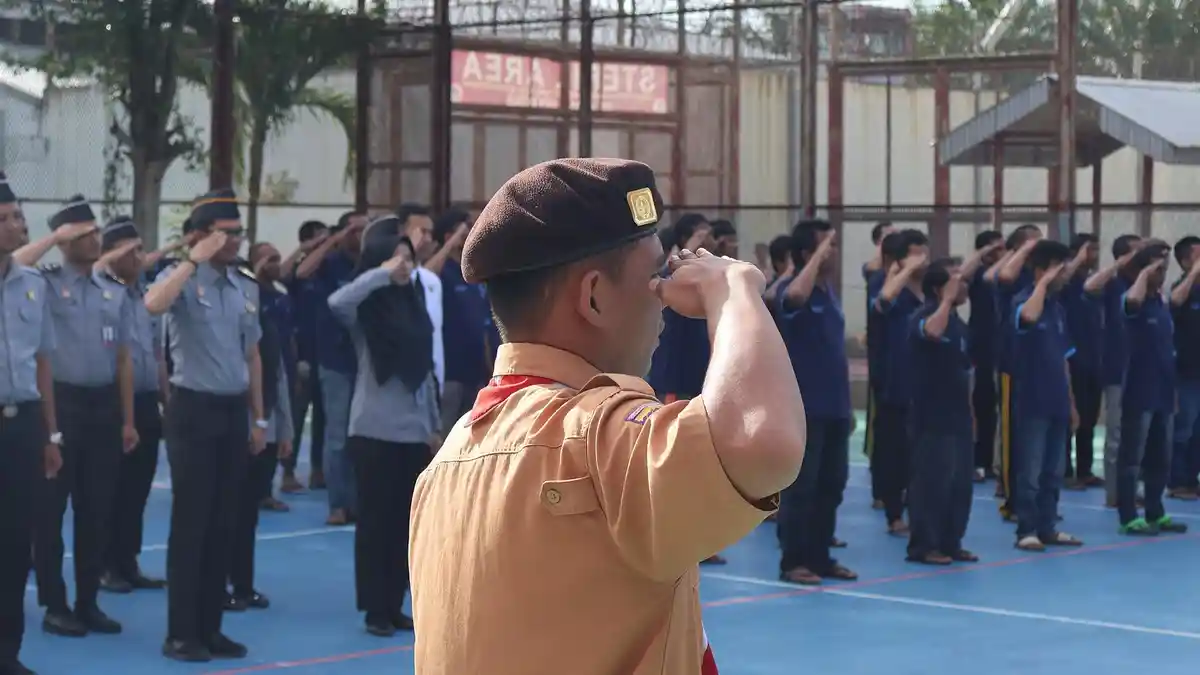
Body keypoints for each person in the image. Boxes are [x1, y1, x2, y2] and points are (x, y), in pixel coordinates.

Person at [408, 158, 804, 674]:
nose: (665, 296)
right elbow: (763, 440)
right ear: (593, 297)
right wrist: (734, 292)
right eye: (655, 277)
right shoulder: (593, 433)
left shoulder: (447, 462)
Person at [144, 189, 265, 662]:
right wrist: (192, 261)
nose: (234, 241)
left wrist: (259, 418)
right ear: (200, 236)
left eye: (238, 233)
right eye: (225, 233)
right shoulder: (181, 281)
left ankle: (211, 627)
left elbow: (251, 354)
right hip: (192, 410)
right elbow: (153, 304)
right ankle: (181, 633)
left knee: (223, 522)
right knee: (191, 524)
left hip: (233, 412)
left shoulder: (245, 285)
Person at [19, 197, 137, 637]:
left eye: (95, 232)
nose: (95, 239)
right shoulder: (41, 282)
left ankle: (88, 601)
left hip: (103, 406)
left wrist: (128, 419)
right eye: (84, 234)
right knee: (50, 512)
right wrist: (53, 237)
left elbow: (124, 359)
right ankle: (55, 603)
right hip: (59, 405)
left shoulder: (113, 290)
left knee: (97, 509)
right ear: (66, 240)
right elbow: (11, 262)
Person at [328, 218, 440, 636]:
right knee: (374, 525)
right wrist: (380, 274)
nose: (404, 266)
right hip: (373, 431)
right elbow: (336, 302)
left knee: (405, 527)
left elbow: (425, 371)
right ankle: (375, 608)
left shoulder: (414, 307)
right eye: (397, 256)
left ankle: (395, 603)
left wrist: (432, 426)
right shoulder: (368, 312)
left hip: (413, 432)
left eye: (409, 259)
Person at [0, 172, 62, 675]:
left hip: (21, 428)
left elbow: (42, 362)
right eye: (4, 219)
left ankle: (7, 652)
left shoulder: (34, 286)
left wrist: (50, 433)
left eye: (17, 216)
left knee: (16, 542)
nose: (15, 224)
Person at [773, 219, 855, 585]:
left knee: (831, 485)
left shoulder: (829, 294)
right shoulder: (796, 289)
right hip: (804, 408)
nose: (833, 253)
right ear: (808, 253)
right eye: (826, 246)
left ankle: (821, 556)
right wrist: (817, 255)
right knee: (802, 488)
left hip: (835, 406)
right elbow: (792, 299)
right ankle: (794, 561)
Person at [95, 217, 168, 594]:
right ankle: (105, 565)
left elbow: (156, 354)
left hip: (145, 401)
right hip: (110, 402)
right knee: (112, 488)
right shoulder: (101, 291)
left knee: (137, 489)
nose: (140, 257)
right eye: (132, 250)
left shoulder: (145, 295)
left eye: (142, 249)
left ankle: (128, 560)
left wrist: (165, 399)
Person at [225, 243, 294, 611]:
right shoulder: (223, 326)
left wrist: (283, 429)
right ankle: (220, 584)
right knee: (226, 512)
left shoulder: (262, 319)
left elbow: (276, 372)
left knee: (247, 513)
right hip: (233, 425)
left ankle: (243, 583)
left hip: (262, 425)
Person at [1009, 239, 1082, 551]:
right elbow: (1026, 319)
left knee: (1054, 470)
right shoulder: (1024, 301)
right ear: (1042, 270)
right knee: (1031, 470)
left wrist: (1072, 403)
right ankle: (1026, 528)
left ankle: (1048, 526)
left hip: (1057, 401)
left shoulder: (1058, 309)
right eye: (1060, 271)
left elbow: (1063, 359)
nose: (1065, 277)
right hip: (1032, 400)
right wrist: (1042, 284)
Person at [294, 211, 366, 524]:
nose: (359, 235)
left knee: (362, 437)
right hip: (335, 361)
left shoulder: (370, 262)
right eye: (354, 229)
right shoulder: (329, 263)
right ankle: (338, 503)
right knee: (337, 436)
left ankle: (359, 502)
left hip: (366, 361)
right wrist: (332, 240)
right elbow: (301, 272)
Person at [906, 257, 977, 565]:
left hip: (958, 415)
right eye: (955, 280)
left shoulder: (960, 325)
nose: (963, 285)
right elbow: (932, 331)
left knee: (960, 485)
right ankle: (924, 545)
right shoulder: (923, 317)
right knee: (931, 484)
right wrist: (946, 301)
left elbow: (965, 372)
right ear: (938, 287)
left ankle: (952, 541)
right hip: (931, 417)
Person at [1116, 240, 1188, 536]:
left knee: (1161, 456)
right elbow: (1131, 302)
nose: (1163, 272)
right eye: (1159, 267)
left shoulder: (1160, 303)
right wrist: (1144, 273)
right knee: (1132, 457)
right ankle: (1128, 516)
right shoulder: (1133, 299)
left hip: (1163, 390)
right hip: (1139, 390)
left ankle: (1156, 511)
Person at [871, 228, 929, 535]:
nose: (922, 261)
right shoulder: (889, 288)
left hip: (924, 386)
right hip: (894, 383)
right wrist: (905, 270)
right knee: (895, 452)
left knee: (921, 455)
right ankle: (894, 512)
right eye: (915, 254)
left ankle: (919, 511)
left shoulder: (927, 294)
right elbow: (883, 301)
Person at [1083, 233, 1141, 508]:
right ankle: (1115, 494)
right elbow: (1089, 287)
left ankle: (1131, 488)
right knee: (1116, 435)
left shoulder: (1143, 285)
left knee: (1137, 435)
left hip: (1143, 370)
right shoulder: (1113, 283)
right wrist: (1120, 263)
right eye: (1136, 253)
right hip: (1117, 367)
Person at [987, 225, 1041, 514]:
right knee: (1012, 431)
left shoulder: (1037, 278)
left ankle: (1035, 497)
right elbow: (1002, 276)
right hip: (1011, 363)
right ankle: (1011, 496)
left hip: (1038, 365)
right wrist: (1023, 249)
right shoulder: (1011, 274)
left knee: (1035, 435)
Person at [425, 208, 494, 431]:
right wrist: (453, 240)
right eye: (466, 232)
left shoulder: (473, 273)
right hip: (450, 372)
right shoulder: (443, 271)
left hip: (476, 372)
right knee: (445, 434)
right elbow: (425, 277)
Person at [281, 220, 329, 493]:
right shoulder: (298, 274)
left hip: (325, 354)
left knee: (323, 418)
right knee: (297, 417)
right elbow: (287, 273)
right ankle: (287, 472)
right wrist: (304, 248)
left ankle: (318, 470)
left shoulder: (328, 270)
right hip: (301, 356)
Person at [1062, 234, 1103, 489]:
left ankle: (1085, 469)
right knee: (1070, 418)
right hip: (1072, 358)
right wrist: (1077, 259)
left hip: (1093, 359)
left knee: (1089, 417)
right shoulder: (1065, 283)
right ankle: (1066, 471)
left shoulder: (1094, 284)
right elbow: (1065, 278)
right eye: (1090, 251)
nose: (1094, 256)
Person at [966, 230, 1004, 481]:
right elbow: (962, 275)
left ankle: (992, 461)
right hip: (981, 346)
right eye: (997, 249)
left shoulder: (1006, 276)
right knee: (981, 404)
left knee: (998, 409)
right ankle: (977, 460)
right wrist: (982, 253)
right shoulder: (979, 275)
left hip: (1002, 347)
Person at [1169, 235, 1200, 499]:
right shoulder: (1181, 287)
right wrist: (1194, 273)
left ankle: (1193, 479)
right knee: (1184, 428)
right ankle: (1177, 481)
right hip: (1186, 371)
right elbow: (1175, 302)